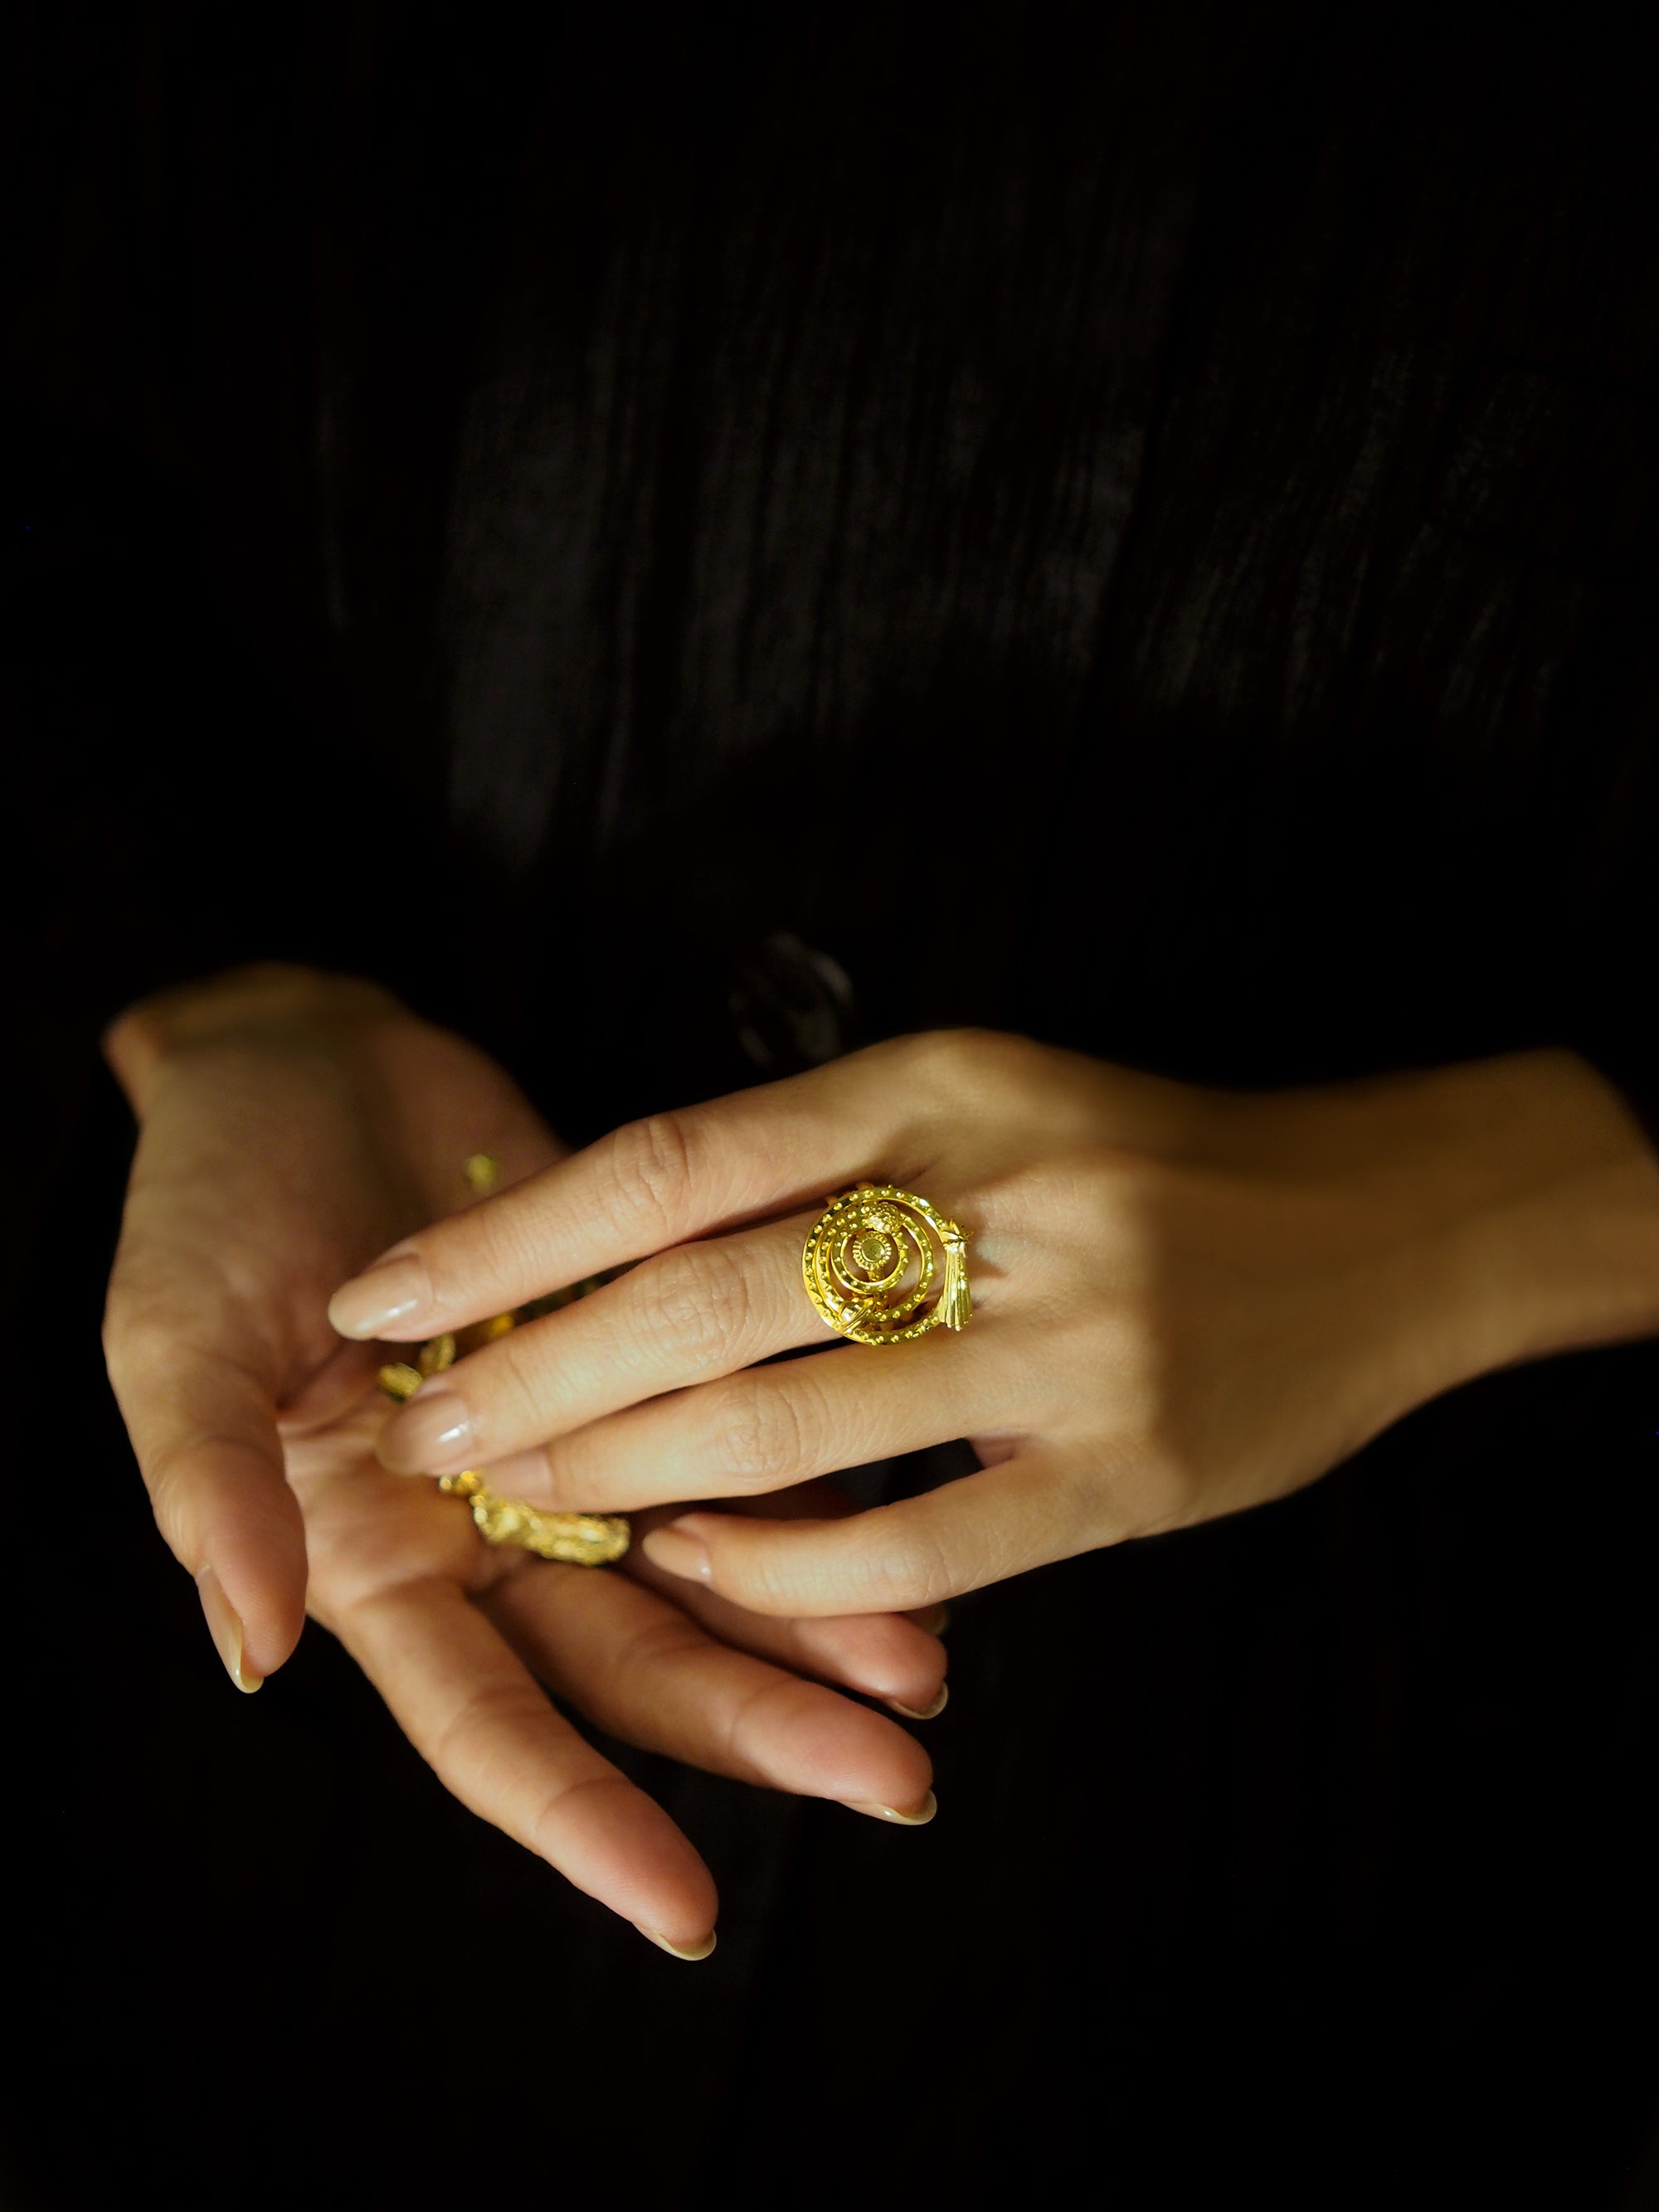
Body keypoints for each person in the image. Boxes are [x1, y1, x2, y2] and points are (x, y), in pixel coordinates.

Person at [11, 4, 1659, 2202]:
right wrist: (226, 1000)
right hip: (231, 1887)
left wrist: (1477, 1219)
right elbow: (41, 497)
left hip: (1328, 1942)